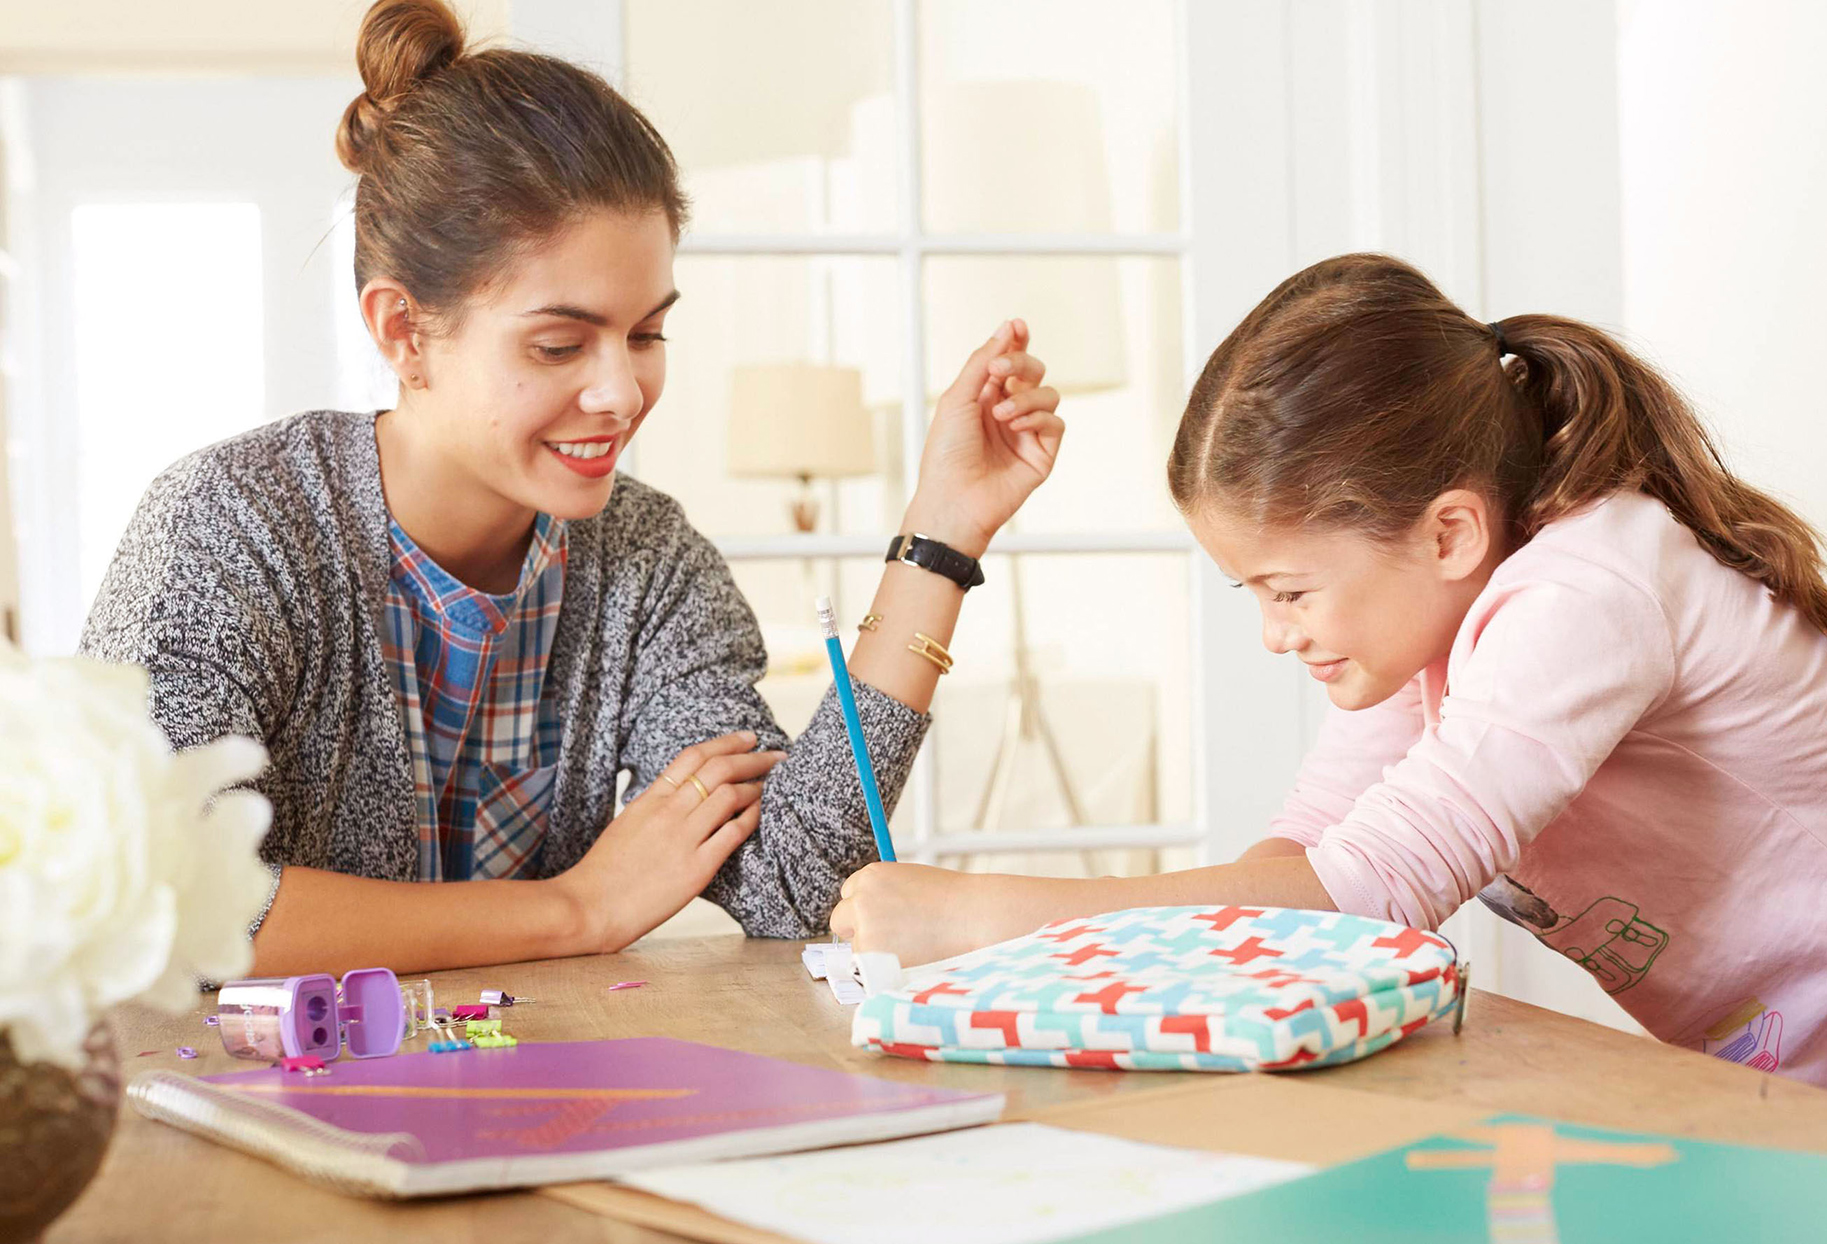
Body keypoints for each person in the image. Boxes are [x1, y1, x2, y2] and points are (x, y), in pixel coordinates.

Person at [79, 0, 1063, 976]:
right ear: (402, 332)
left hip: (534, 1099)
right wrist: (571, 907)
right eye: (559, 343)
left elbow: (792, 882)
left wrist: (939, 533)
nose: (620, 390)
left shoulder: (645, 559)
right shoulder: (229, 526)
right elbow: (173, 901)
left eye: (646, 333)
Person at [834, 252, 1827, 1086]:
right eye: (1254, 594)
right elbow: (1298, 863)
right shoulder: (1426, 618)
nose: (1274, 632)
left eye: (1291, 590)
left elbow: (1366, 893)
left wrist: (980, 917)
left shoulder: (1588, 592)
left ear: (1449, 531)